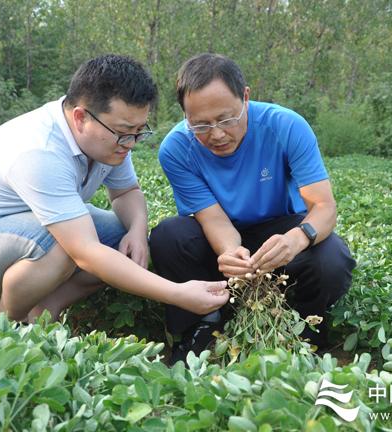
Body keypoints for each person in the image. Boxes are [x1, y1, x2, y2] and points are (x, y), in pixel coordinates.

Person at [0, 54, 229, 323]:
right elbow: (85, 253)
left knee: (117, 235)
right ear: (81, 117)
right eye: (125, 132)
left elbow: (126, 193)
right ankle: (7, 323)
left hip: (22, 228)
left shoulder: (111, 139)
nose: (132, 143)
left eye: (139, 131)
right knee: (63, 247)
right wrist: (177, 294)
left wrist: (137, 231)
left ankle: (45, 309)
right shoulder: (40, 151)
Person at [149, 53, 356, 364]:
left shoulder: (286, 126)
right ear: (184, 114)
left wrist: (296, 240)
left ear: (245, 97)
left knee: (332, 257)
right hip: (218, 237)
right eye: (200, 124)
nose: (216, 134)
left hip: (281, 227)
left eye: (227, 119)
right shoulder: (177, 148)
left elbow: (324, 207)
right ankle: (203, 324)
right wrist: (232, 254)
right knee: (169, 236)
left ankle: (305, 328)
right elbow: (213, 219)